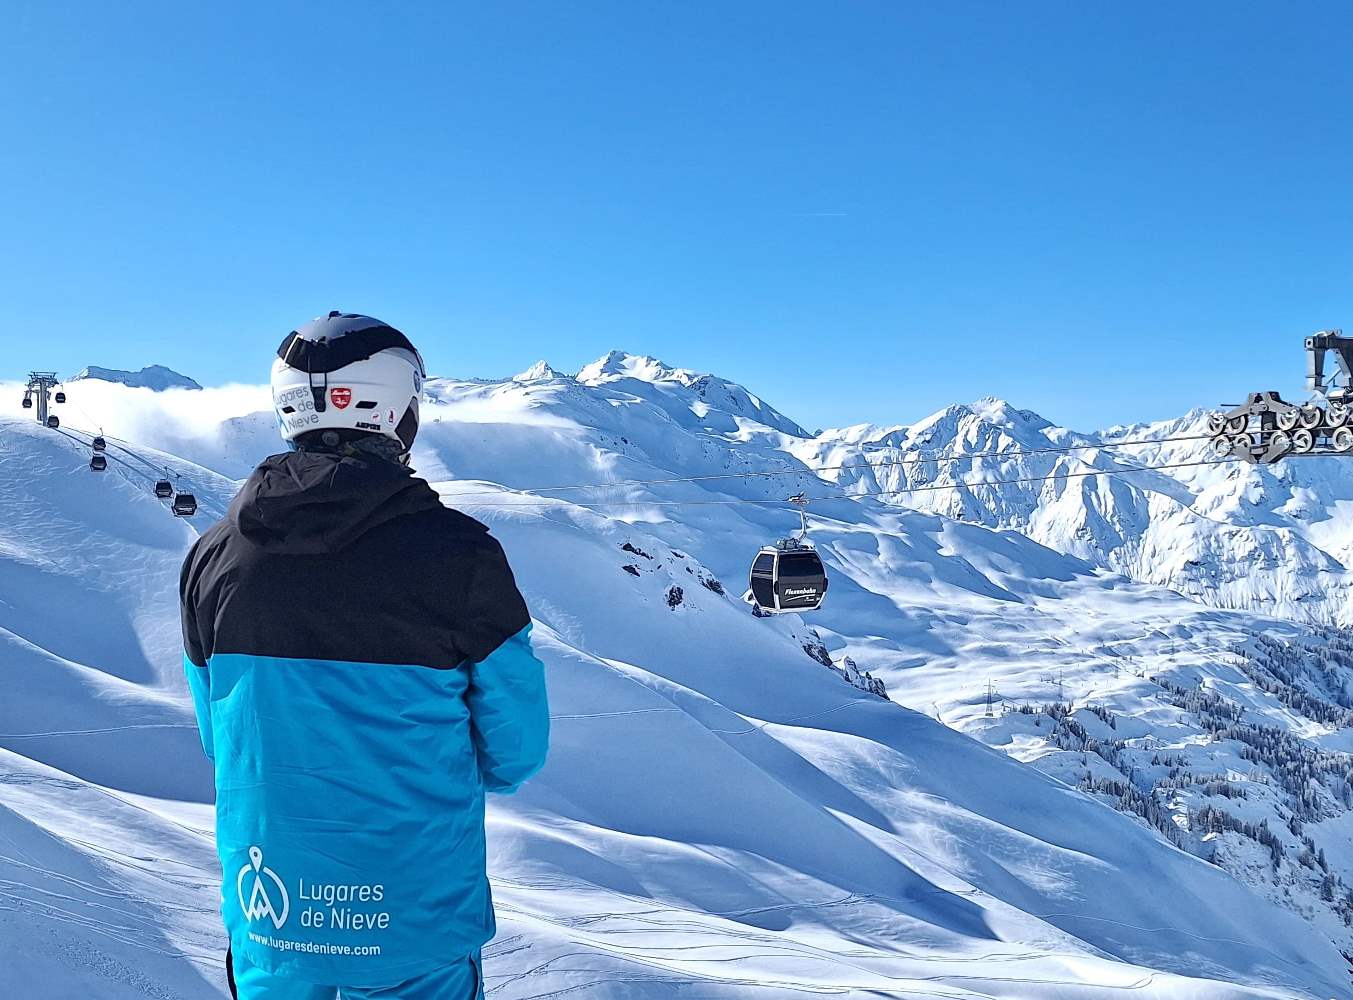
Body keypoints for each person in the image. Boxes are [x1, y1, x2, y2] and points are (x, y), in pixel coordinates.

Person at [180, 312, 549, 1000]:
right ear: (399, 407)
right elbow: (516, 749)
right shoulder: (458, 555)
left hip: (273, 915)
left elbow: (218, 735)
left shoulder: (213, 555)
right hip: (412, 913)